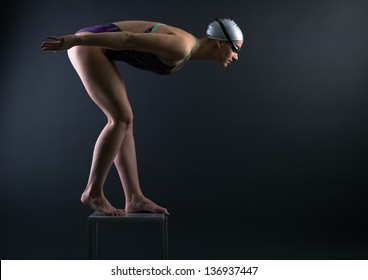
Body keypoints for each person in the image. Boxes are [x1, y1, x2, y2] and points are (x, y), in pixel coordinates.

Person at [41, 18, 244, 216]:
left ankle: (134, 198)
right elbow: (129, 39)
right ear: (220, 42)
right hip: (89, 44)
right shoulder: (182, 46)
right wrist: (77, 40)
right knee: (120, 119)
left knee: (124, 121)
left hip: (96, 46)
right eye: (235, 49)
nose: (236, 56)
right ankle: (92, 192)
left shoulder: (187, 51)